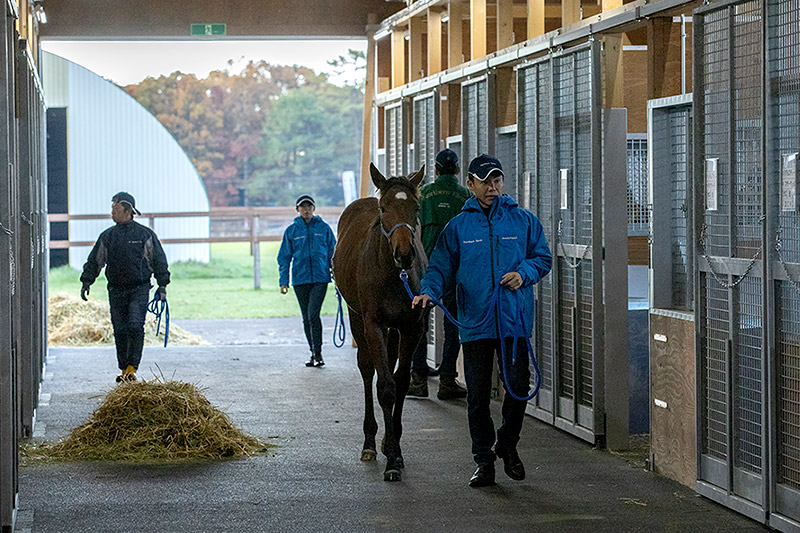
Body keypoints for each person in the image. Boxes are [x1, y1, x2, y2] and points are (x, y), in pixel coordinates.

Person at [412, 154, 552, 488]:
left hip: (512, 321)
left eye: (497, 180)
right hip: (474, 323)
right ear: (470, 184)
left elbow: (543, 257)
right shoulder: (458, 227)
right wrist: (429, 291)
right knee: (476, 396)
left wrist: (524, 272)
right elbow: (440, 267)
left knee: (517, 389)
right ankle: (484, 461)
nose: (492, 187)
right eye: (485, 182)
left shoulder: (523, 221)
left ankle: (507, 443)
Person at [80, 192, 170, 383]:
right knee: (119, 329)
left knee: (135, 326)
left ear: (128, 210)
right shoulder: (108, 236)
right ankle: (123, 368)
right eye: (112, 207)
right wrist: (87, 280)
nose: (112, 211)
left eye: (116, 207)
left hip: (139, 288)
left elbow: (159, 260)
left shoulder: (145, 235)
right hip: (115, 289)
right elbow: (95, 260)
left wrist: (162, 285)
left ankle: (132, 368)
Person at [407, 149, 471, 400]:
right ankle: (447, 380)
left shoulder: (424, 196)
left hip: (426, 268)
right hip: (456, 268)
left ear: (434, 170)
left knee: (420, 323)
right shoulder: (465, 195)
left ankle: (419, 379)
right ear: (457, 170)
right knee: (452, 325)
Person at [278, 194, 336, 367]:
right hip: (300, 279)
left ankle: (318, 353)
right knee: (306, 317)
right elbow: (284, 257)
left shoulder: (324, 228)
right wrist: (284, 280)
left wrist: (336, 275)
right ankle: (313, 352)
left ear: (314, 209)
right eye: (302, 207)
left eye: (309, 206)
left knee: (313, 314)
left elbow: (334, 254)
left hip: (320, 278)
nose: (306, 210)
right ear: (297, 210)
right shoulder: (292, 231)